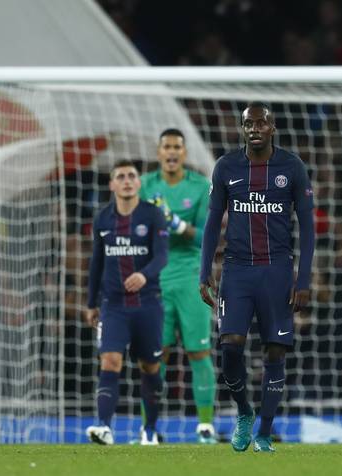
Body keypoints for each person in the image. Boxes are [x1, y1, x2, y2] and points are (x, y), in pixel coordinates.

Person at [199, 102, 315, 453]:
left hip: (277, 269)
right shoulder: (226, 167)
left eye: (261, 123)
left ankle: (265, 430)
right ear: (242, 128)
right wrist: (204, 272)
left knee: (275, 350)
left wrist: (304, 279)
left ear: (272, 127)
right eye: (249, 123)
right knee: (229, 346)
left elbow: (308, 228)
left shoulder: (291, 167)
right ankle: (244, 412)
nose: (255, 129)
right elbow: (211, 223)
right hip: (236, 269)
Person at [139, 129, 218, 444]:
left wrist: (177, 224)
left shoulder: (200, 187)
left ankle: (205, 427)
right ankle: (149, 430)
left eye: (177, 147)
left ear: (184, 153)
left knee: (199, 352)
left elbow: (205, 237)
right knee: (153, 356)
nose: (172, 152)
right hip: (154, 278)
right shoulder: (144, 186)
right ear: (158, 152)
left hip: (190, 277)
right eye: (166, 147)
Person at [84, 159, 169, 445]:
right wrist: (90, 302)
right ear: (112, 184)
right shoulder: (103, 219)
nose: (127, 180)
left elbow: (162, 256)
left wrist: (144, 275)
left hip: (148, 303)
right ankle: (104, 427)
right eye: (120, 176)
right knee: (109, 360)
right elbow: (96, 263)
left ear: (139, 182)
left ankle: (149, 430)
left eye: (132, 175)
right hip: (114, 305)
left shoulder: (153, 214)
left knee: (151, 368)